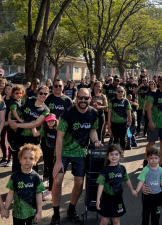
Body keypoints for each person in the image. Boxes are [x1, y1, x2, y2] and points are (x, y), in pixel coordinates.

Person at [50, 88, 102, 224]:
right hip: (64, 151)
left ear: (90, 99)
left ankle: (71, 210)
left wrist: (96, 141)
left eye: (86, 98)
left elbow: (93, 131)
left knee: (79, 182)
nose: (83, 100)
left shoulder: (94, 113)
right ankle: (55, 214)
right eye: (80, 98)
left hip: (80, 152)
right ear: (76, 98)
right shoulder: (67, 113)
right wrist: (58, 160)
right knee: (58, 180)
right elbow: (59, 138)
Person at [8, 86, 50, 173]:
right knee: (17, 159)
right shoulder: (28, 100)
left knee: (32, 160)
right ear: (37, 93)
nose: (43, 95)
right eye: (41, 93)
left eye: (45, 93)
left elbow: (35, 123)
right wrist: (9, 119)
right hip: (18, 135)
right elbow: (14, 109)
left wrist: (18, 125)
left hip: (31, 137)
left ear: (48, 95)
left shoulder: (45, 110)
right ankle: (15, 182)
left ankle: (33, 182)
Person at [5, 144, 45, 225]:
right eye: (25, 158)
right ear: (20, 159)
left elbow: (39, 195)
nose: (27, 160)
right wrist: (5, 208)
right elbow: (10, 194)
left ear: (35, 161)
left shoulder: (36, 177)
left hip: (32, 212)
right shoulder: (14, 176)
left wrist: (39, 212)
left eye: (31, 158)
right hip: (18, 213)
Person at [96, 144, 135, 225]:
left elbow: (127, 180)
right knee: (104, 221)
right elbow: (101, 184)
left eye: (116, 154)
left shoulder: (122, 168)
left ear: (120, 155)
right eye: (111, 154)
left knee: (116, 221)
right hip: (106, 198)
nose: (114, 156)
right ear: (107, 156)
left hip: (118, 198)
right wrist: (98, 199)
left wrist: (132, 190)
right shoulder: (105, 170)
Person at [135, 146, 162, 225]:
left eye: (156, 158)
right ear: (147, 158)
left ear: (159, 159)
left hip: (157, 195)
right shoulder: (145, 169)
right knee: (146, 213)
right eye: (151, 158)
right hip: (147, 195)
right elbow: (141, 181)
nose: (153, 160)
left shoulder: (160, 169)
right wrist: (137, 190)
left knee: (156, 213)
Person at [32, 114, 58, 200]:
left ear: (55, 121)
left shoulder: (58, 130)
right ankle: (52, 187)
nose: (51, 122)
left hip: (56, 153)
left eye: (52, 120)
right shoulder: (44, 130)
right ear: (46, 122)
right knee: (49, 169)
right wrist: (33, 125)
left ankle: (51, 190)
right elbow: (35, 134)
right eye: (49, 121)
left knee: (53, 171)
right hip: (47, 153)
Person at [107, 86, 132, 151]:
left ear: (124, 92)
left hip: (123, 122)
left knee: (122, 138)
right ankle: (116, 151)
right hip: (114, 122)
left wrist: (130, 120)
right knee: (115, 138)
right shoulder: (112, 101)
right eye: (119, 91)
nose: (120, 93)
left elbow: (128, 111)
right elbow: (109, 111)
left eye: (121, 91)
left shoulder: (126, 101)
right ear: (116, 92)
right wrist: (109, 121)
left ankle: (122, 151)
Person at [0, 83, 14, 167]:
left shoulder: (13, 100)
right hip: (2, 122)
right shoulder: (2, 99)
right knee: (1, 140)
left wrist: (8, 122)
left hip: (10, 123)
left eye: (9, 89)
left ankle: (10, 159)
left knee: (10, 140)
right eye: (6, 88)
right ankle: (4, 157)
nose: (7, 90)